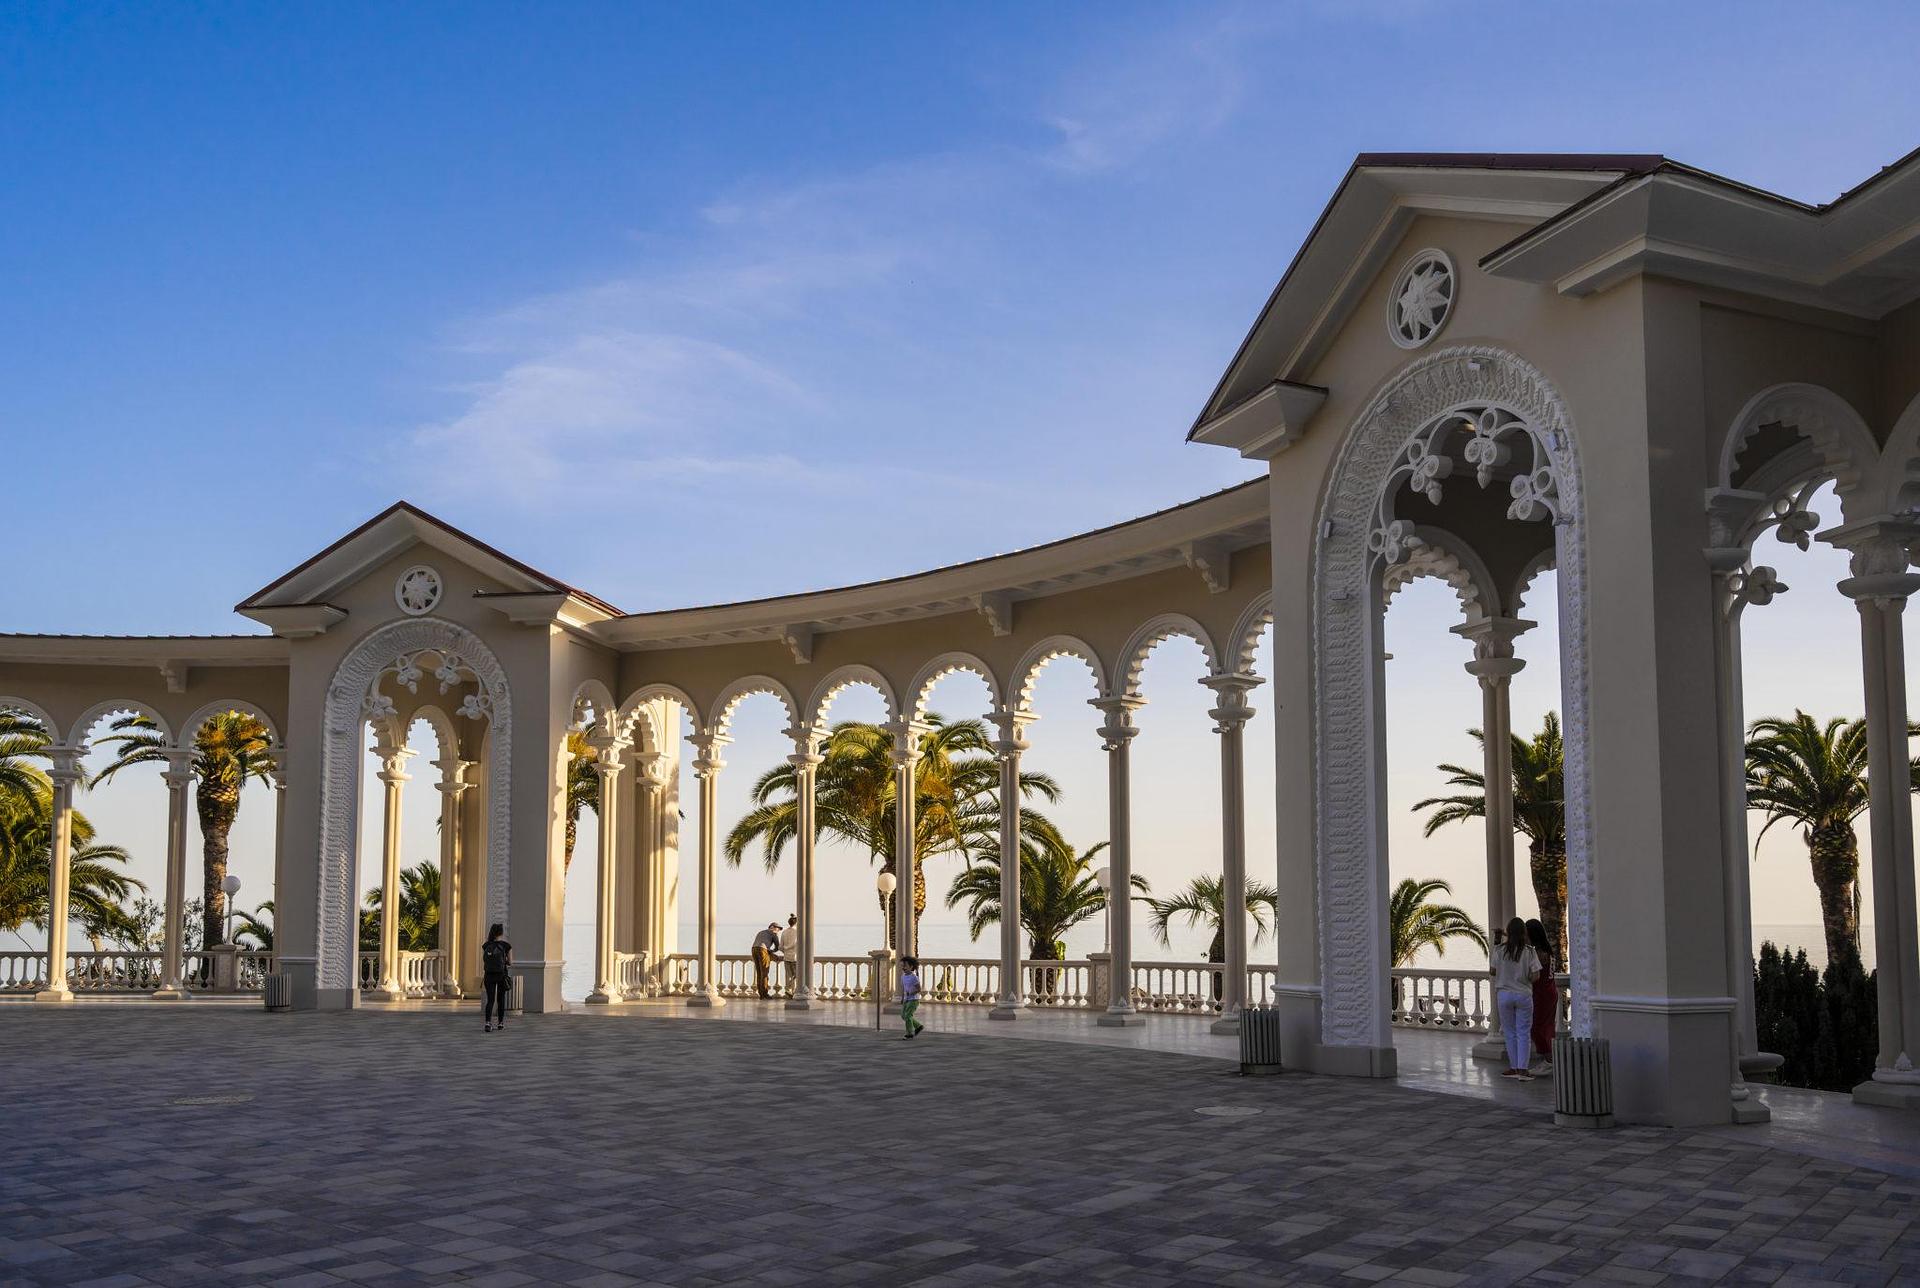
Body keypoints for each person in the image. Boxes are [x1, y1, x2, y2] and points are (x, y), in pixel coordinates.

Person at [1490, 916, 1540, 1081]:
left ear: (1508, 932)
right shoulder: (1529, 951)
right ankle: (1523, 1070)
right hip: (1523, 994)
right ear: (1524, 933)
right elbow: (1536, 975)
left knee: (1509, 1032)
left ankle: (1513, 1067)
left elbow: (1492, 971)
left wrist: (1498, 940)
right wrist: (1525, 978)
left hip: (1504, 994)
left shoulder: (1500, 950)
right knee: (1523, 1032)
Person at [1525, 918, 1558, 1070]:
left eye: (1526, 934)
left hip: (1542, 994)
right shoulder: (1548, 951)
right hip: (1551, 991)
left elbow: (1532, 974)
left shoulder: (1538, 953)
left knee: (1537, 1027)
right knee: (1548, 1026)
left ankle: (1549, 1060)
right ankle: (1551, 1059)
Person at [481, 922, 512, 1033]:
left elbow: (485, 960)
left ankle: (488, 1023)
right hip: (501, 975)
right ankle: (500, 1023)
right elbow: (510, 962)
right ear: (501, 933)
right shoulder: (506, 946)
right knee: (501, 999)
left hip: (489, 975)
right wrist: (504, 961)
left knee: (490, 1000)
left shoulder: (486, 945)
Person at [750, 922, 781, 999]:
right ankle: (765, 994)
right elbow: (778, 947)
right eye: (778, 929)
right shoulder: (773, 934)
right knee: (764, 973)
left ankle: (761, 994)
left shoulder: (761, 932)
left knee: (759, 973)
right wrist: (772, 951)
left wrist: (769, 951)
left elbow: (759, 943)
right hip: (762, 950)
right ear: (773, 927)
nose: (778, 931)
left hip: (754, 949)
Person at [899, 954, 924, 1039]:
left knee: (908, 1016)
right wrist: (903, 998)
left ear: (911, 966)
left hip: (914, 999)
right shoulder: (903, 977)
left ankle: (909, 1033)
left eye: (905, 966)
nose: (903, 968)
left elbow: (919, 989)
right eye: (902, 966)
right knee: (903, 1015)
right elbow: (904, 988)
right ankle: (918, 1026)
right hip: (907, 999)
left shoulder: (914, 977)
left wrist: (911, 993)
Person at [779, 914, 798, 992]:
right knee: (797, 976)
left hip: (786, 957)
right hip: (795, 957)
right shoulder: (798, 932)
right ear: (796, 923)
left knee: (789, 976)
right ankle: (794, 991)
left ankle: (789, 991)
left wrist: (785, 952)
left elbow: (780, 947)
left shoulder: (784, 932)